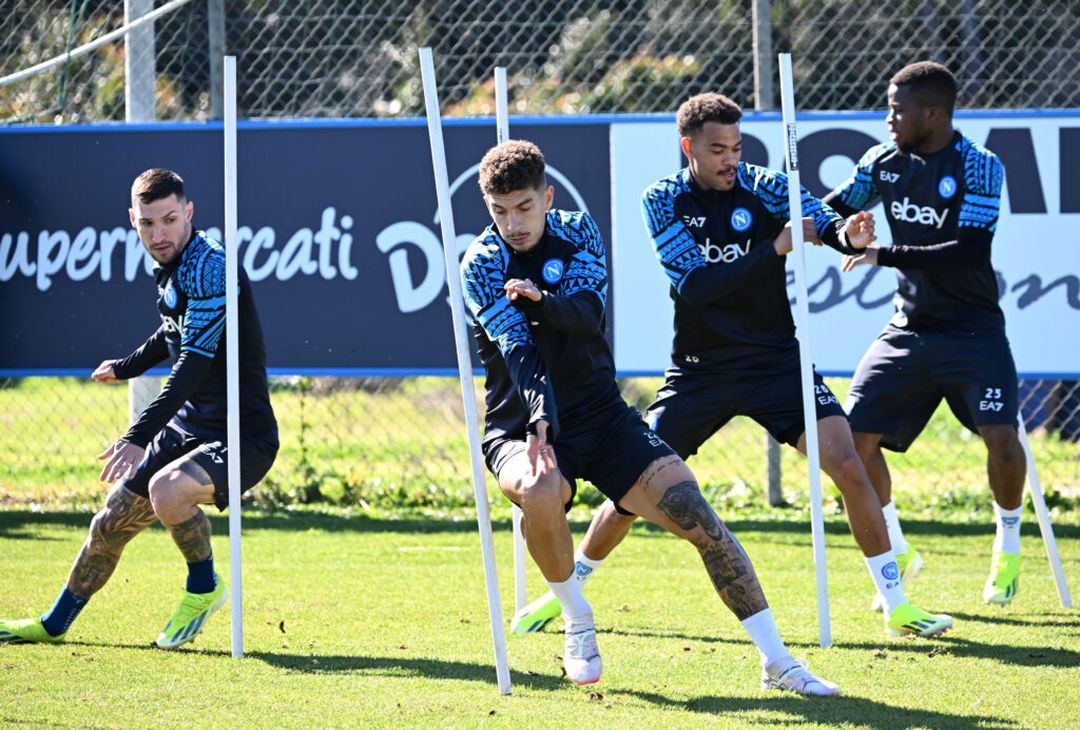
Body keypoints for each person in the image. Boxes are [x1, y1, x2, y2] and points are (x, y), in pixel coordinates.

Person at [511, 92, 953, 639]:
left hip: (776, 364)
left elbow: (819, 220)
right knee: (630, 494)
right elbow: (696, 287)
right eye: (717, 149)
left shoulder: (766, 185)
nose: (730, 160)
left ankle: (896, 602)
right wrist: (774, 250)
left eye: (737, 148)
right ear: (688, 147)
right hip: (701, 370)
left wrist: (848, 234)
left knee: (846, 462)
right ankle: (568, 590)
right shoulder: (662, 199)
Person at [463, 139, 840, 695]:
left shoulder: (578, 232)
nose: (513, 223)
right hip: (522, 424)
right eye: (499, 211)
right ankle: (576, 619)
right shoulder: (482, 264)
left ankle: (778, 662)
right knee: (540, 491)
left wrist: (543, 301)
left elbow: (589, 315)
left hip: (601, 414)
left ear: (546, 197)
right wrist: (541, 416)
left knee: (695, 512)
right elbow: (519, 351)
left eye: (523, 207)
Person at [0, 168, 278, 648]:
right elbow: (173, 331)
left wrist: (139, 433)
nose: (159, 233)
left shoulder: (212, 265)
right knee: (109, 523)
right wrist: (127, 366)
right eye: (148, 224)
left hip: (242, 434)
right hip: (189, 426)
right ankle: (54, 624)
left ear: (188, 212)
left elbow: (193, 359)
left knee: (167, 491)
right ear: (133, 219)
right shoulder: (170, 264)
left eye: (169, 219)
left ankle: (204, 587)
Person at [823, 61, 1026, 605]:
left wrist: (880, 252)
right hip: (907, 329)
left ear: (933, 114)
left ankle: (1007, 548)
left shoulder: (979, 165)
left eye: (898, 108)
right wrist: (846, 231)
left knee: (1002, 441)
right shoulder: (880, 162)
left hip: (973, 330)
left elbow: (968, 251)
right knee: (852, 440)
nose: (888, 118)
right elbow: (831, 214)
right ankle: (898, 549)